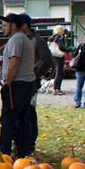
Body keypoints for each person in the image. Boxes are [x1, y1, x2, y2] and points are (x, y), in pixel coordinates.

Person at [0, 13, 35, 158]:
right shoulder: (23, 39)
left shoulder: (16, 39)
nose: (3, 28)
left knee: (8, 118)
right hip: (25, 83)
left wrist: (7, 82)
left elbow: (14, 61)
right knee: (22, 118)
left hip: (17, 84)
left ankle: (3, 152)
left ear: (13, 25)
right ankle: (23, 151)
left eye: (5, 25)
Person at [21, 14, 53, 148]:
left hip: (31, 81)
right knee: (23, 110)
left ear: (25, 25)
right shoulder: (22, 39)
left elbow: (47, 60)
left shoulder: (37, 40)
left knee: (29, 110)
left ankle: (31, 140)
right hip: (22, 80)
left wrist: (35, 73)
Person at [47, 25, 71, 95]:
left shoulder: (51, 37)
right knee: (59, 73)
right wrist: (67, 50)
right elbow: (61, 47)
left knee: (60, 72)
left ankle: (57, 89)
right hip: (59, 57)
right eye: (63, 30)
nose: (63, 31)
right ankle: (56, 89)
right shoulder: (59, 38)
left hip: (53, 56)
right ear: (60, 30)